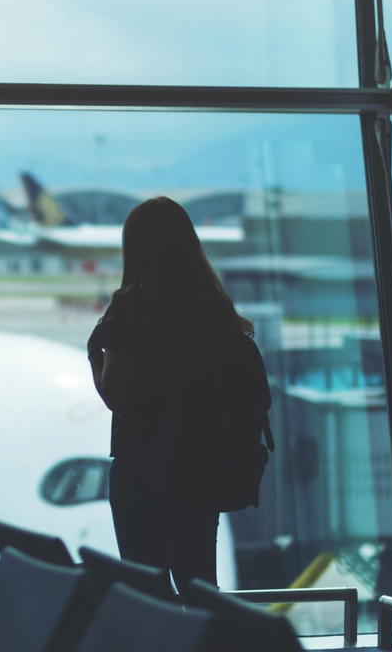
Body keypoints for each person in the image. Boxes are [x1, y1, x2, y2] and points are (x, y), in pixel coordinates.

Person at [86, 196, 256, 590]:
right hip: (201, 466)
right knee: (200, 583)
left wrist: (95, 357)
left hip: (142, 467)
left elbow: (116, 395)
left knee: (147, 588)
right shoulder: (214, 310)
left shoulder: (131, 309)